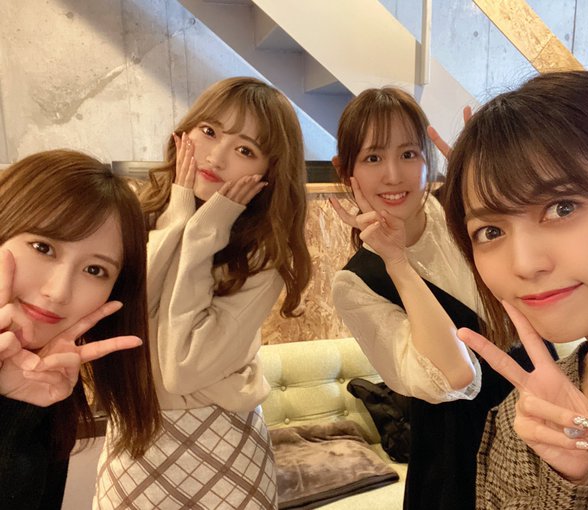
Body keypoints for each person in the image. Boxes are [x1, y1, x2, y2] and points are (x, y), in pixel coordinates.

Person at [440, 70, 588, 508]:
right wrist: (572, 483)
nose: (524, 264)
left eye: (562, 208)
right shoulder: (523, 424)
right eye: (491, 231)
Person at [95, 76, 312, 509]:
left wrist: (203, 233)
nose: (216, 157)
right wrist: (179, 218)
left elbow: (182, 369)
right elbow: (124, 313)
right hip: (134, 434)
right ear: (185, 132)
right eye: (209, 131)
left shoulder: (263, 255)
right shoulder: (137, 215)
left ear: (268, 173)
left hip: (223, 444)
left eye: (245, 150)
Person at [330, 87, 548, 509]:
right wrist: (397, 262)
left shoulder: (467, 213)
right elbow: (455, 377)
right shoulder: (357, 283)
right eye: (373, 158)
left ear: (426, 160)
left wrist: (499, 177)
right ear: (345, 170)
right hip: (459, 460)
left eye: (408, 154)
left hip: (544, 420)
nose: (394, 175)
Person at [0, 149, 161, 509]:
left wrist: (13, 409)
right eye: (43, 247)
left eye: (94, 270)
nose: (58, 292)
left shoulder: (47, 383)